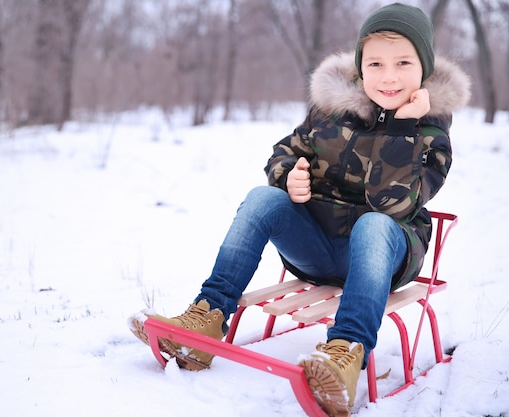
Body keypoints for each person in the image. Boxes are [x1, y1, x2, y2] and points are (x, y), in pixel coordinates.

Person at [128, 3, 470, 416]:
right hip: (317, 249)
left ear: (424, 69)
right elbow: (285, 151)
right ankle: (209, 315)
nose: (389, 75)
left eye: (403, 62)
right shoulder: (331, 111)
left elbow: (392, 203)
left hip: (382, 255)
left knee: (375, 224)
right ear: (360, 67)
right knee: (262, 197)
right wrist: (289, 174)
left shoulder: (430, 132)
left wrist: (401, 127)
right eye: (375, 63)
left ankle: (344, 353)